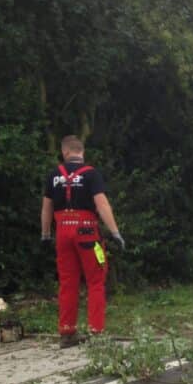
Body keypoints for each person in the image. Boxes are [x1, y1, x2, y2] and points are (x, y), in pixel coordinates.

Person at [40, 135, 124, 348]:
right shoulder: (91, 175)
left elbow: (46, 207)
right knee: (96, 281)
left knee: (68, 283)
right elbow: (102, 204)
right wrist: (115, 232)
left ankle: (67, 333)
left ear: (64, 152)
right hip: (87, 232)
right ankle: (96, 332)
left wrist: (45, 234)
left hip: (62, 233)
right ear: (81, 152)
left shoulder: (53, 175)